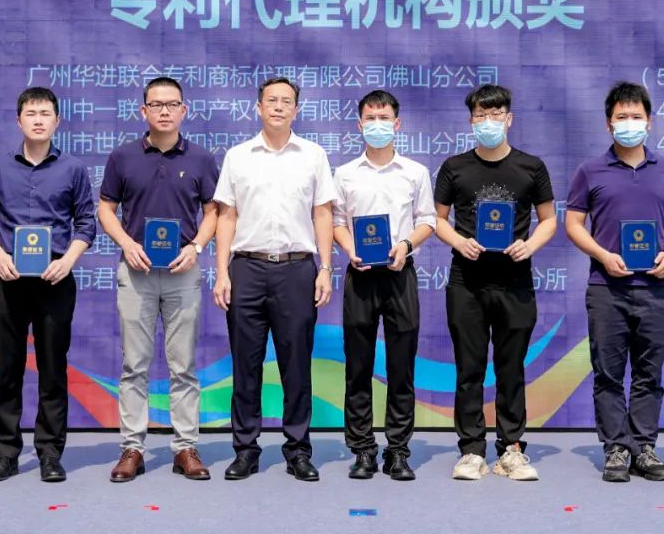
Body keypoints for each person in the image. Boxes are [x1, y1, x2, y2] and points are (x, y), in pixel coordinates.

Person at [212, 76, 337, 482]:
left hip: (297, 269)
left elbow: (323, 213)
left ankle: (298, 450)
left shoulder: (313, 155)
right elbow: (226, 215)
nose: (279, 106)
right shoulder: (238, 156)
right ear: (258, 107)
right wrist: (222, 272)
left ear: (296, 110)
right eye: (271, 100)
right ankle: (245, 449)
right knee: (245, 364)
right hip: (246, 268)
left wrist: (325, 267)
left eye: (286, 101)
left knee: (296, 365)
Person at [433, 84, 557, 481]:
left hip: (514, 281)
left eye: (496, 114)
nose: (488, 121)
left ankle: (511, 450)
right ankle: (471, 450)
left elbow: (549, 219)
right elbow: (436, 219)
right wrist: (458, 241)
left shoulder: (531, 167)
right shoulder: (454, 167)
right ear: (471, 121)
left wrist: (529, 245)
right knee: (469, 369)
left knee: (511, 368)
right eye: (481, 115)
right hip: (466, 282)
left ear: (509, 118)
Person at [0, 87, 96, 483]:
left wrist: (68, 261)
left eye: (45, 113)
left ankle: (50, 453)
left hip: (54, 279)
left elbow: (86, 222)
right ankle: (5, 453)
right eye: (31, 113)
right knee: (7, 369)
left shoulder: (73, 169)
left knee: (52, 369)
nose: (38, 120)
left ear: (57, 121)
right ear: (19, 120)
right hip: (7, 278)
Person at [99, 76, 218, 482]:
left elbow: (214, 212)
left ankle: (186, 447)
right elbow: (105, 208)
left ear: (184, 110)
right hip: (137, 273)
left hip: (183, 273)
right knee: (134, 364)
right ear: (143, 110)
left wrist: (196, 246)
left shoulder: (201, 158)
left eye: (172, 104)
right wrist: (126, 243)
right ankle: (132, 447)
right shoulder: (122, 157)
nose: (164, 111)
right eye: (156, 104)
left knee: (183, 365)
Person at [565, 82, 664, 483]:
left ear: (649, 122)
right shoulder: (590, 171)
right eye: (621, 117)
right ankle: (616, 448)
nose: (629, 123)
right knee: (608, 373)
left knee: (650, 373)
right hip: (606, 288)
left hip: (656, 288)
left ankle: (644, 447)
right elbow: (573, 223)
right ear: (608, 123)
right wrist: (602, 255)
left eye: (636, 116)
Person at [332, 90, 435, 481]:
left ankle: (398, 450)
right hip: (360, 275)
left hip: (399, 274)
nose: (378, 125)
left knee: (401, 367)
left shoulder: (415, 172)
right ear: (359, 125)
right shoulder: (345, 173)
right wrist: (349, 248)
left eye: (384, 118)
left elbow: (428, 220)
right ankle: (362, 449)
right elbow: (336, 222)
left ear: (397, 123)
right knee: (358, 367)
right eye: (370, 119)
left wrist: (406, 244)